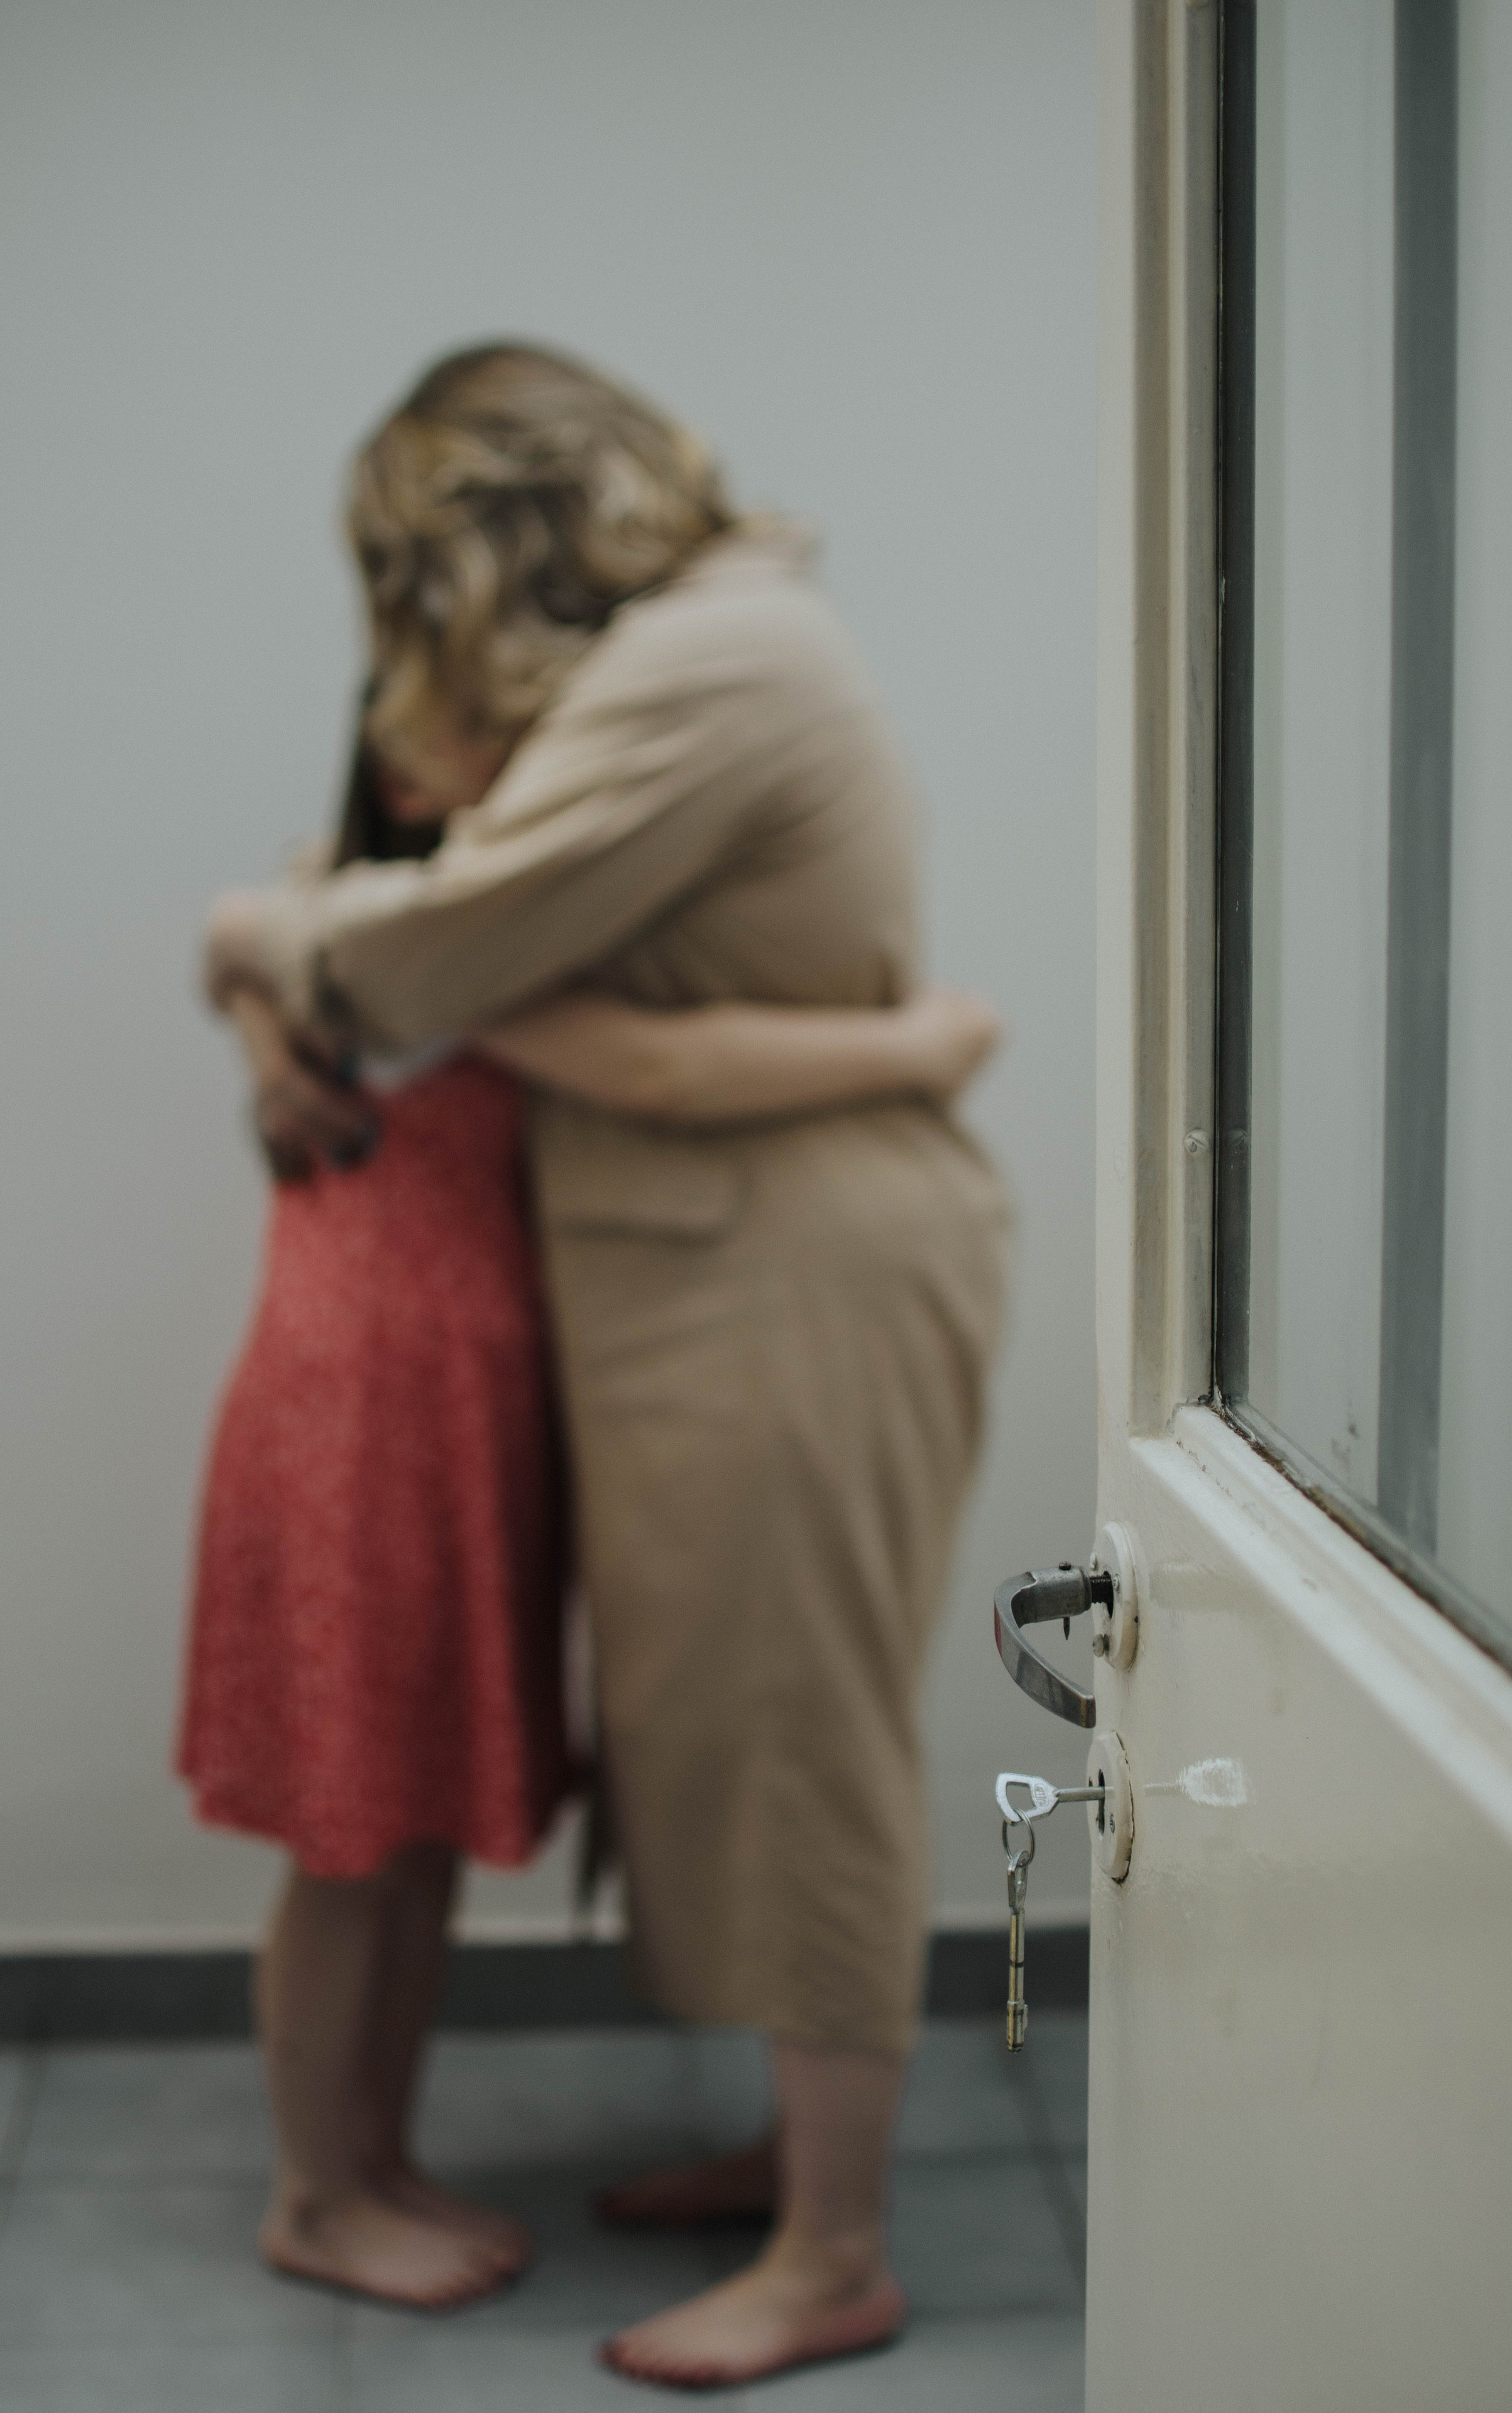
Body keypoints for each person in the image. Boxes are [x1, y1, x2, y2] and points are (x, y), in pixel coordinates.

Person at [204, 341, 1012, 2388]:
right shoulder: (712, 646)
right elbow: (426, 948)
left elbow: (414, 956)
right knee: (741, 1734)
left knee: (802, 1740)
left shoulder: (701, 667)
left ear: (490, 541)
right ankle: (795, 2164)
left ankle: (833, 2249)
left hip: (788, 1263)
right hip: (736, 1258)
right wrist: (269, 953)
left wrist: (289, 948)